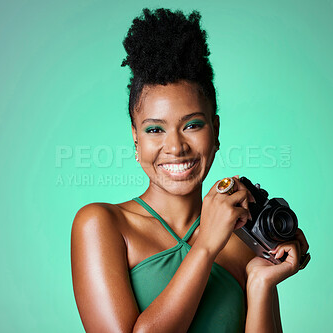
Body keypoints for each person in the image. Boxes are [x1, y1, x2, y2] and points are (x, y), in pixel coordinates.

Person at [71, 8, 309, 333]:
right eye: (155, 129)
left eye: (192, 125)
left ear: (215, 130)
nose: (175, 147)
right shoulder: (102, 225)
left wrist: (260, 283)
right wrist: (206, 247)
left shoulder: (242, 240)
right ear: (136, 139)